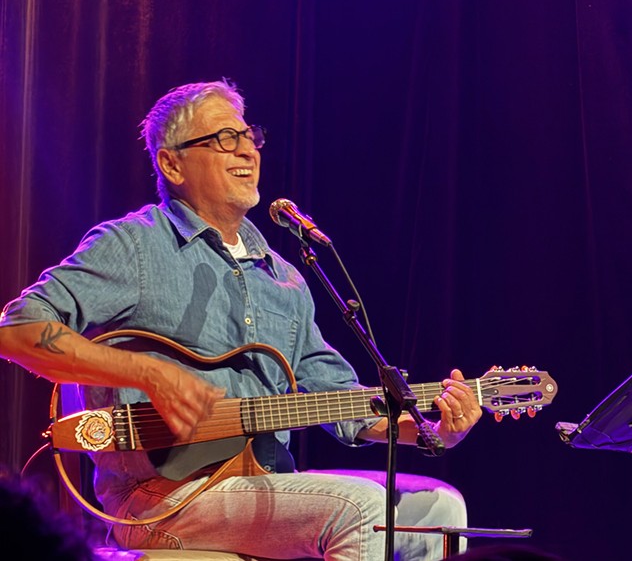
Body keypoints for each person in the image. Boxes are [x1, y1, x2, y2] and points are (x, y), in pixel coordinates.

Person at [0, 80, 480, 561]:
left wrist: (429, 427)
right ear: (172, 163)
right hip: (160, 497)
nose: (247, 149)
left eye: (249, 136)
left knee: (441, 507)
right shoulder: (134, 246)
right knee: (358, 507)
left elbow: (340, 403)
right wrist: (149, 373)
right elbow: (16, 330)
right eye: (224, 138)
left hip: (264, 483)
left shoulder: (285, 278)